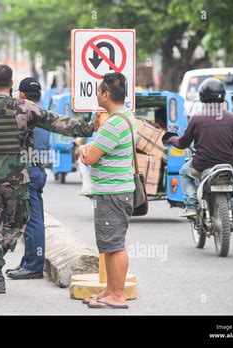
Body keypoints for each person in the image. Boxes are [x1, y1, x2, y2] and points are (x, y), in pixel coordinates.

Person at [0, 64, 95, 294]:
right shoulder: (25, 108)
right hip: (16, 178)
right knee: (18, 222)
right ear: (12, 84)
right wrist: (89, 127)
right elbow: (57, 123)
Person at [78, 72, 136, 310]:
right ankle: (111, 291)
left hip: (113, 191)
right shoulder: (125, 116)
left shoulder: (114, 123)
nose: (96, 95)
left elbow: (91, 157)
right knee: (109, 245)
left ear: (106, 94)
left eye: (99, 91)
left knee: (115, 244)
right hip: (113, 190)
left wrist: (84, 148)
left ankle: (118, 295)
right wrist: (89, 148)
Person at [167, 78, 233, 217]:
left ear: (202, 96)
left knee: (184, 172)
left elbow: (182, 143)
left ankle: (191, 205)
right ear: (223, 95)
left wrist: (172, 139)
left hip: (201, 166)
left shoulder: (197, 118)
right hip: (226, 165)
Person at [5, 77, 50, 280]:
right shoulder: (42, 115)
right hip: (38, 170)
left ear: (21, 95)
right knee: (33, 217)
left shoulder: (27, 116)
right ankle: (28, 261)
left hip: (30, 171)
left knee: (32, 220)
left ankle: (33, 265)